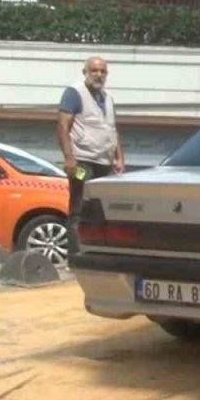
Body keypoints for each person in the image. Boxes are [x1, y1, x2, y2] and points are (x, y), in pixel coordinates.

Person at [57, 56, 123, 258]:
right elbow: (62, 126)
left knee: (102, 210)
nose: (99, 75)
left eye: (103, 71)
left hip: (105, 162)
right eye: (94, 70)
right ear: (85, 72)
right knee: (79, 207)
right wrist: (69, 157)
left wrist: (119, 158)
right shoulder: (74, 93)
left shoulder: (108, 98)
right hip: (82, 160)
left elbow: (112, 130)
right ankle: (76, 256)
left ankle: (97, 253)